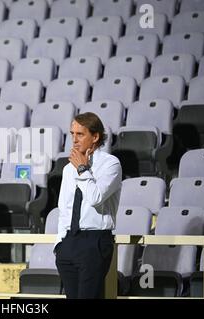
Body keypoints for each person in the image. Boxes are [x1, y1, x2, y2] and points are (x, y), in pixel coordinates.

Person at [54, 112, 122, 299]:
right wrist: (60, 243)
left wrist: (83, 169)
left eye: (80, 134)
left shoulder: (110, 164)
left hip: (94, 242)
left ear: (95, 137)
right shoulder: (68, 169)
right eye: (72, 134)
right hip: (68, 243)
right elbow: (64, 208)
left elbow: (95, 197)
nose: (74, 140)